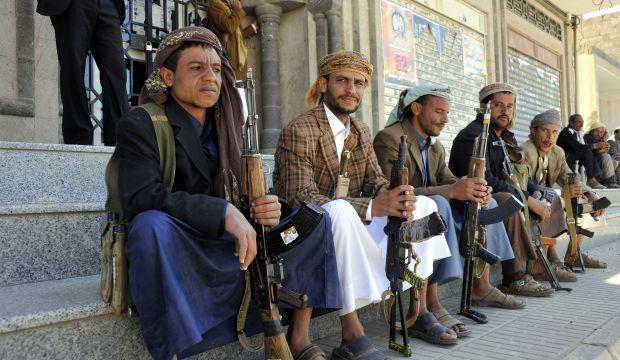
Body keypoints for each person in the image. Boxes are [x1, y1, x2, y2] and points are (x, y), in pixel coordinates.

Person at [115, 27, 341, 360]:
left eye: (217, 69)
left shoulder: (228, 125)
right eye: (196, 68)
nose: (210, 77)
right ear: (167, 75)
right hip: (186, 244)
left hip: (233, 243)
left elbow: (251, 193)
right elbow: (142, 196)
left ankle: (299, 337)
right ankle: (171, 351)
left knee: (313, 221)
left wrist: (270, 206)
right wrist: (221, 213)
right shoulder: (142, 122)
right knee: (149, 227)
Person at [274, 51, 455, 356]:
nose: (351, 90)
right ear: (323, 84)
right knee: (342, 211)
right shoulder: (300, 129)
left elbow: (375, 180)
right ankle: (350, 332)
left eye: (359, 83)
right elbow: (300, 196)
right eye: (342, 81)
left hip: (348, 224)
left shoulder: (359, 130)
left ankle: (418, 310)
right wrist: (372, 208)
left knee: (424, 205)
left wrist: (397, 195)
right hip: (302, 230)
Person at [373, 85, 523, 338]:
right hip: (399, 218)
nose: (445, 119)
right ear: (417, 109)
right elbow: (394, 193)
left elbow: (448, 179)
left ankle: (482, 286)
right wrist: (452, 191)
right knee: (438, 204)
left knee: (490, 202)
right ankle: (431, 302)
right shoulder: (389, 138)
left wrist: (472, 188)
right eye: (439, 112)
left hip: (429, 215)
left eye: (447, 113)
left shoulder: (434, 146)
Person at [449, 83, 555, 298]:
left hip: (493, 193)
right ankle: (514, 278)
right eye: (498, 105)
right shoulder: (474, 135)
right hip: (470, 200)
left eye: (509, 106)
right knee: (508, 201)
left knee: (552, 197)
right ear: (483, 107)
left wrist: (537, 193)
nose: (505, 111)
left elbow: (512, 174)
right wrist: (527, 200)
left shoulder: (501, 136)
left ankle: (548, 261)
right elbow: (487, 179)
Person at [522, 109, 608, 273]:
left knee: (589, 202)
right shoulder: (525, 150)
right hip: (532, 202)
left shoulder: (557, 152)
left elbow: (569, 176)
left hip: (548, 199)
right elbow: (524, 185)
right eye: (545, 131)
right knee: (553, 197)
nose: (550, 137)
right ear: (533, 131)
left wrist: (591, 193)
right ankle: (548, 261)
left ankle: (573, 254)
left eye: (554, 132)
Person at [36, 0, 129, 145]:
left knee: (117, 72)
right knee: (73, 69)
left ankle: (118, 139)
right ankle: (78, 138)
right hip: (73, 4)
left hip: (108, 4)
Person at [206, 0, 258, 80]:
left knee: (239, 91)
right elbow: (229, 27)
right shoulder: (215, 7)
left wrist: (253, 27)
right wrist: (237, 10)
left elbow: (238, 36)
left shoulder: (230, 10)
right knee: (231, 91)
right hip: (228, 62)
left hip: (237, 65)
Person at [556, 114, 609, 189]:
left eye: (582, 122)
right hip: (565, 160)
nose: (581, 124)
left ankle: (601, 180)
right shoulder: (566, 132)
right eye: (579, 122)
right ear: (571, 123)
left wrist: (599, 150)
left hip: (576, 158)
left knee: (599, 154)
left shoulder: (579, 133)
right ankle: (592, 181)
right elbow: (578, 147)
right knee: (586, 151)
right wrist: (595, 146)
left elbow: (584, 147)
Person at [584, 122, 618, 188]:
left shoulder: (599, 140)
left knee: (612, 159)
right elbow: (587, 152)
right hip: (590, 162)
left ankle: (610, 182)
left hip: (598, 161)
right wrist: (599, 151)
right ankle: (609, 182)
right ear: (591, 131)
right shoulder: (587, 138)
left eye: (602, 132)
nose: (599, 134)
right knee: (606, 157)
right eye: (597, 131)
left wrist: (604, 141)